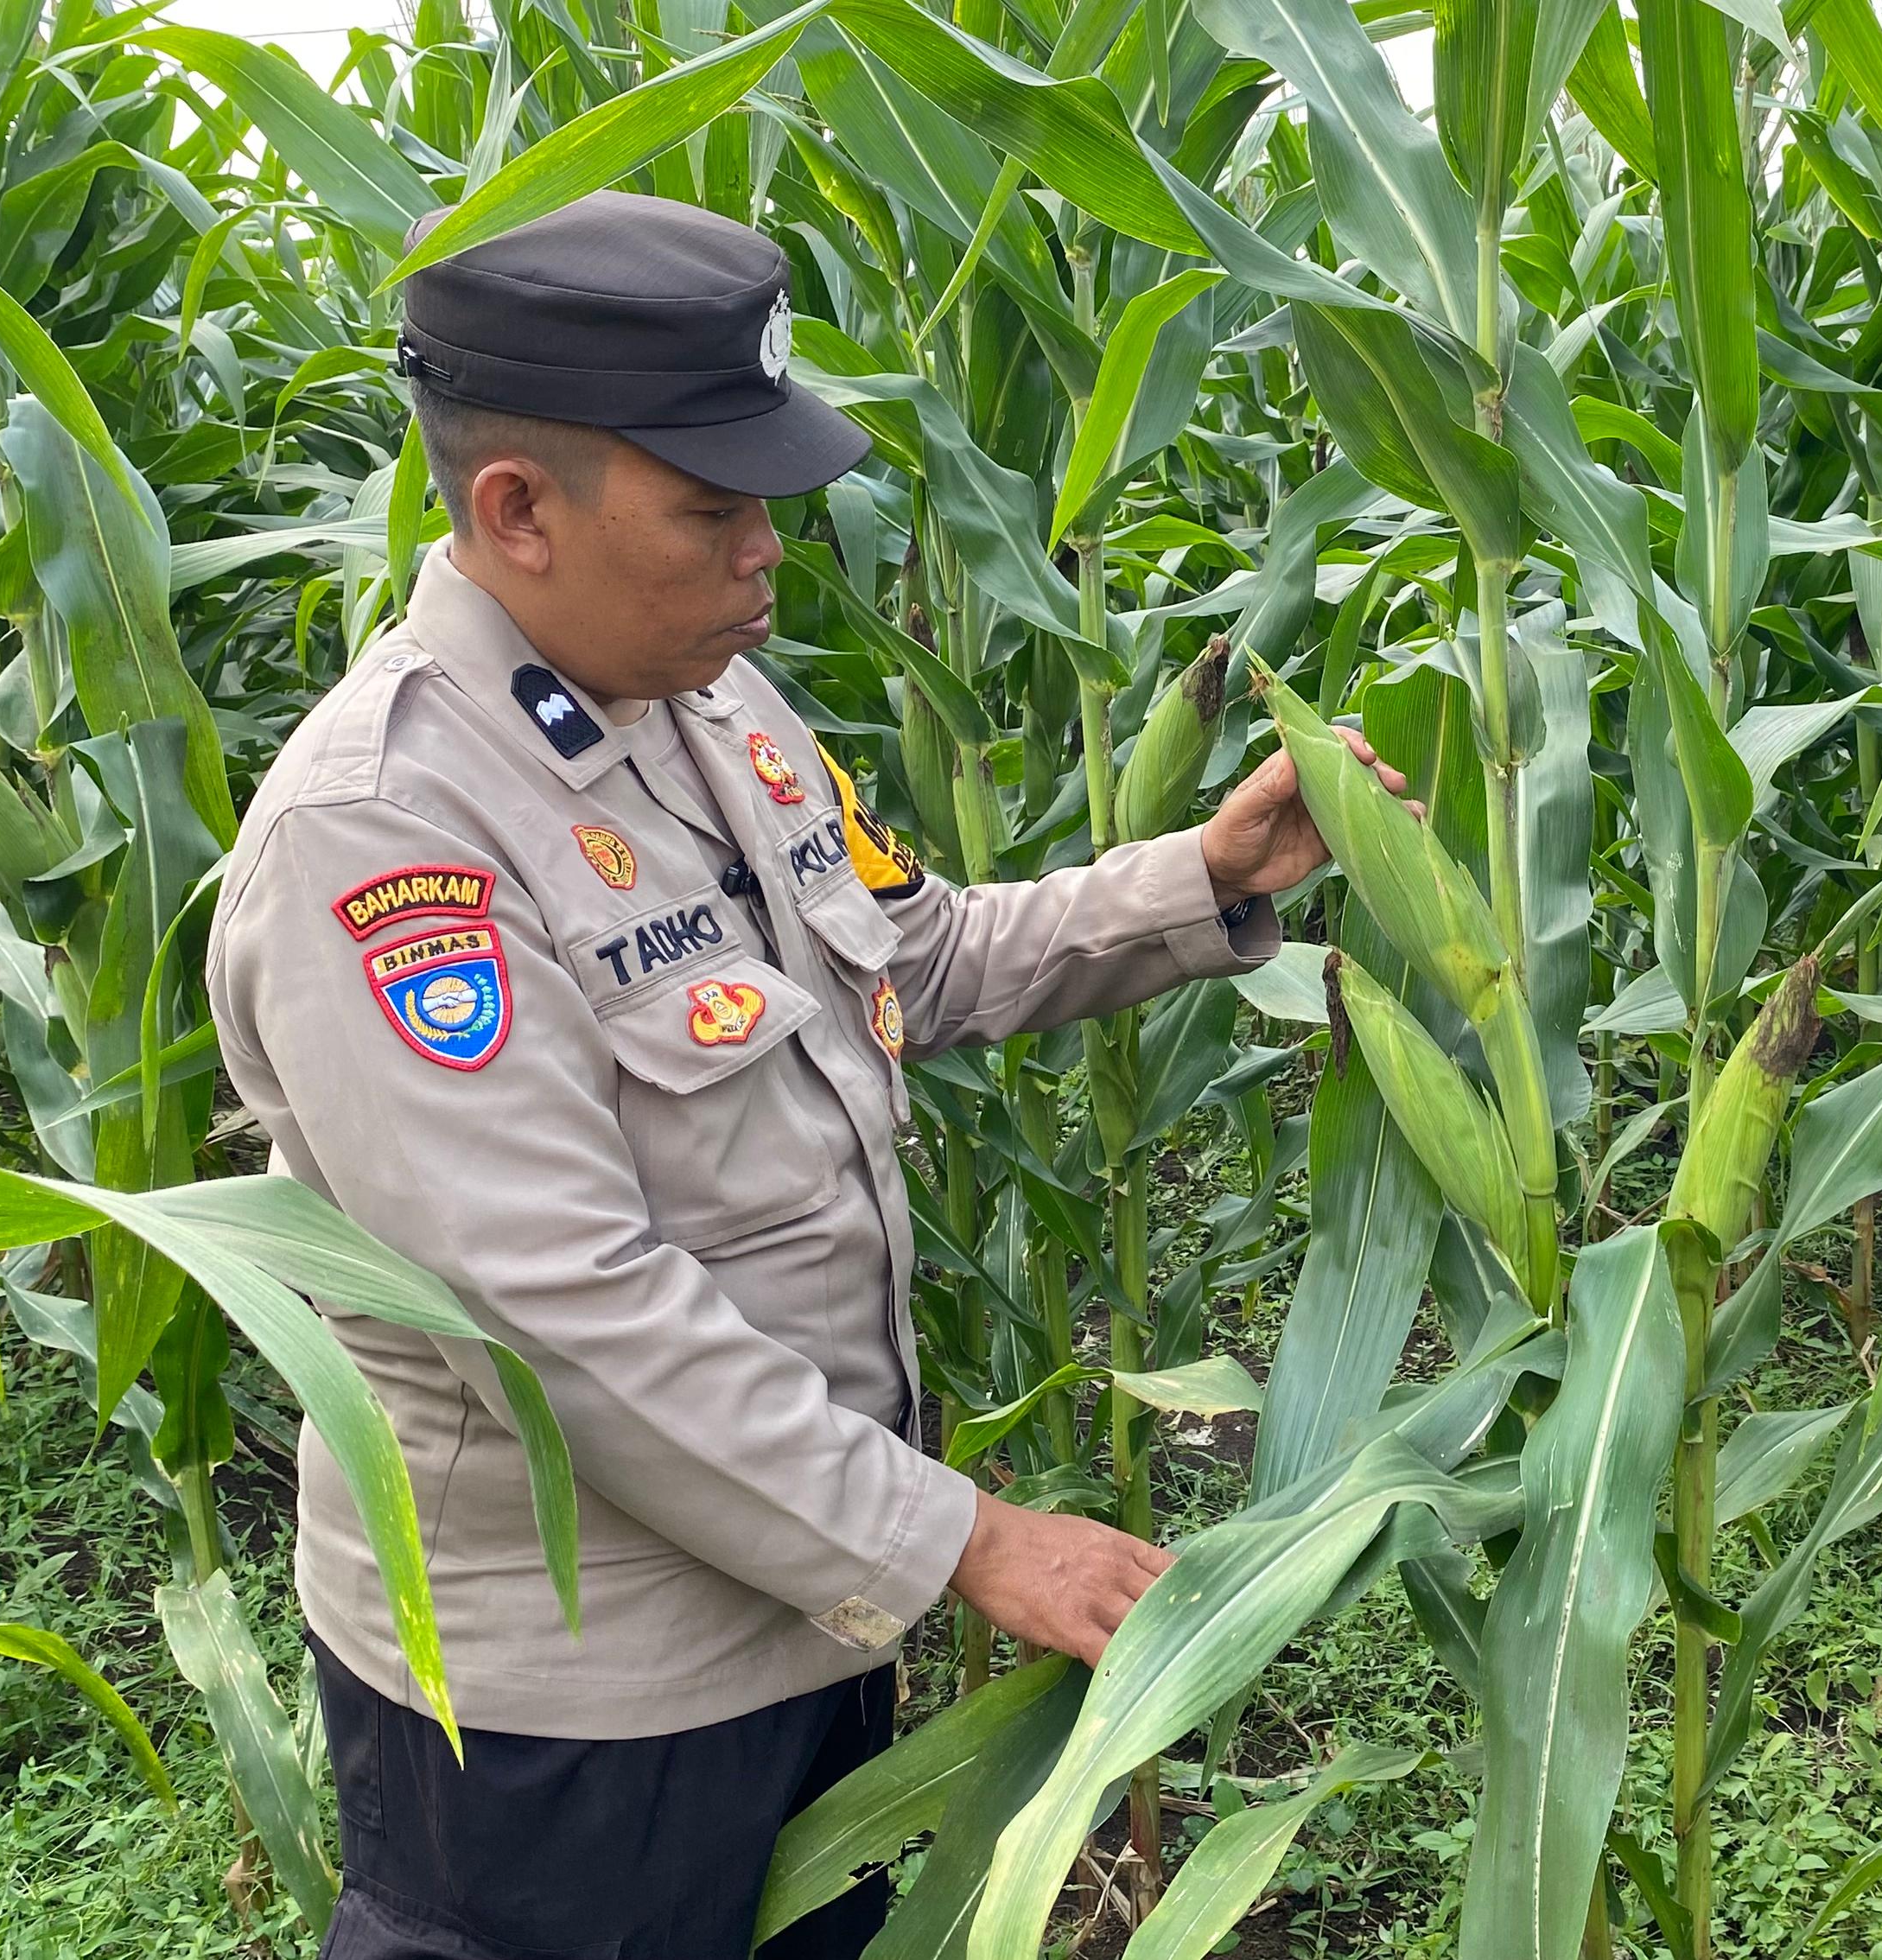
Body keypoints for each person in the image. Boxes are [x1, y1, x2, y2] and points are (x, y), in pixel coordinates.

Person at [205, 191, 1410, 1959]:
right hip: (577, 1709)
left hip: (811, 1606)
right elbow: (560, 1315)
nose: (768, 549)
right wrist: (968, 1540)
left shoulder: (714, 705)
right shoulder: (389, 836)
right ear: (515, 509)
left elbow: (908, 961)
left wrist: (1199, 882)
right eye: (710, 507)